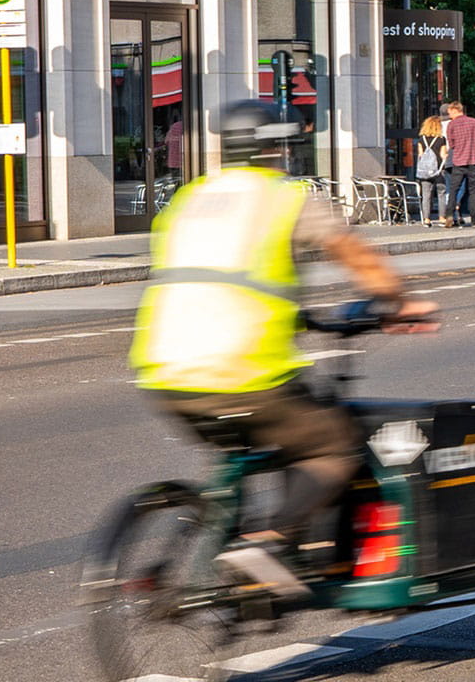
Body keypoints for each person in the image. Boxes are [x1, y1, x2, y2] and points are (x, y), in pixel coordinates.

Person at [132, 101, 437, 597]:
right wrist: (401, 302)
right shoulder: (285, 198)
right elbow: (359, 257)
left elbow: (212, 279)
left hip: (162, 372)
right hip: (243, 373)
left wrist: (294, 314)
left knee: (251, 447)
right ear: (276, 147)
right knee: (330, 443)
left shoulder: (187, 200)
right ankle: (269, 541)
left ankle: (229, 538)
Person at [442, 101, 475, 228]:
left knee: (453, 189)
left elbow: (452, 143)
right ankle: (474, 220)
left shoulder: (452, 124)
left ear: (455, 110)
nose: (449, 114)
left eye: (450, 112)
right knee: (474, 190)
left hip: (458, 161)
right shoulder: (474, 122)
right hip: (473, 160)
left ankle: (449, 216)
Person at [414, 115, 450, 226]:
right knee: (441, 193)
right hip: (438, 170)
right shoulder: (441, 139)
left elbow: (420, 155)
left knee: (426, 195)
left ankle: (426, 219)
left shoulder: (421, 139)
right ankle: (442, 217)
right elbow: (443, 155)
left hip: (425, 171)